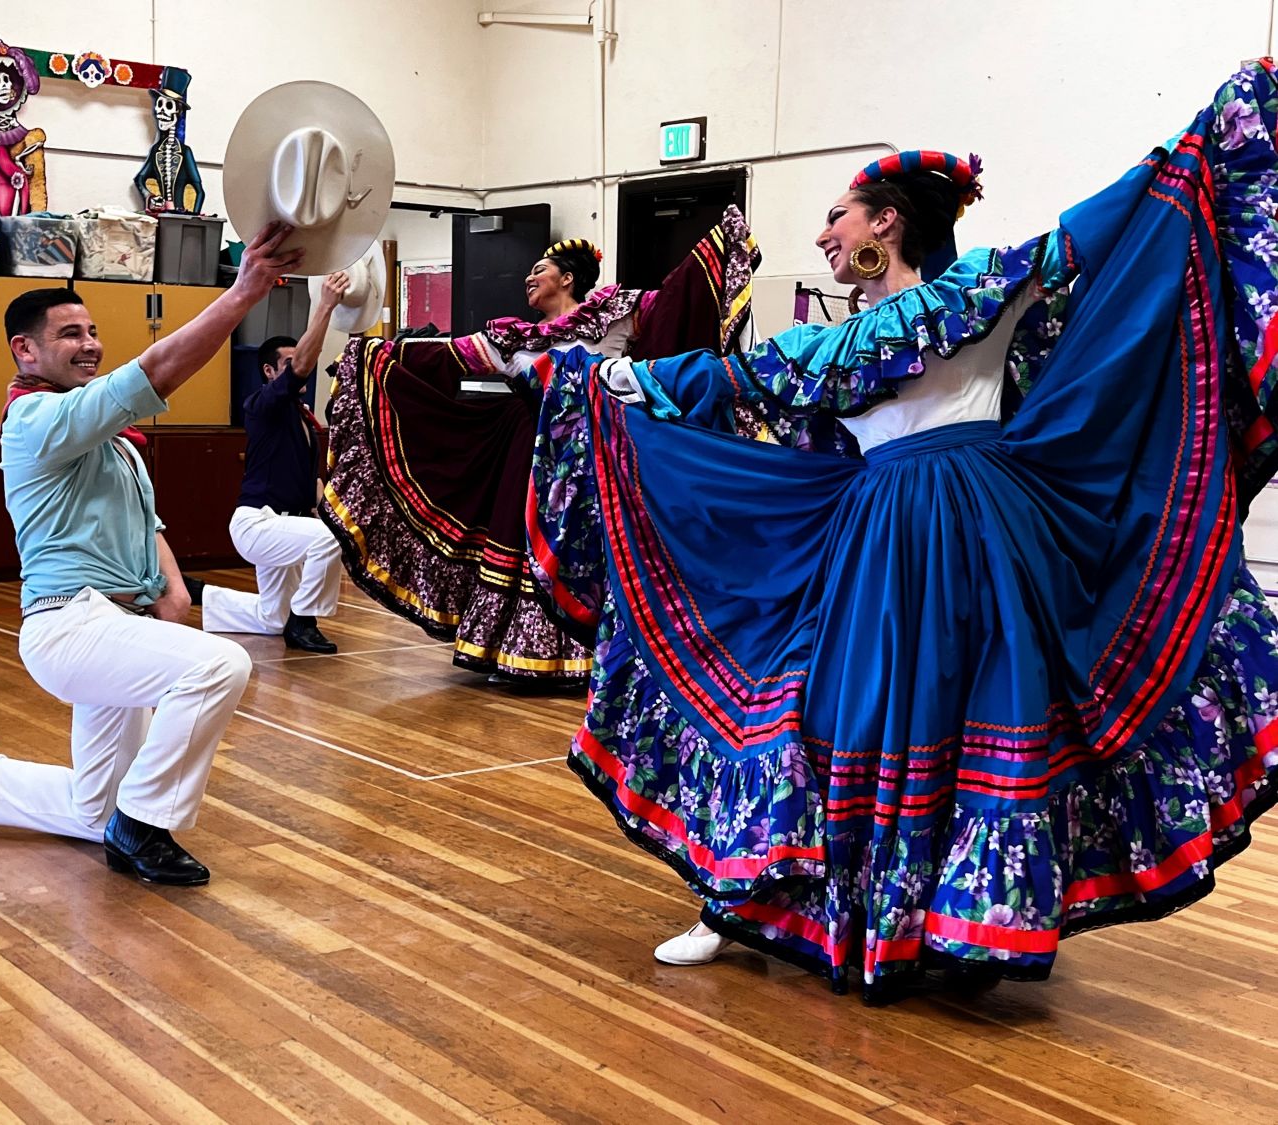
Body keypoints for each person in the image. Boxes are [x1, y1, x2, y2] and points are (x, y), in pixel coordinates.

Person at [529, 64, 1278, 1003]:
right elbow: (721, 382)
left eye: (838, 216)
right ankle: (745, 900)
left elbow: (1113, 221)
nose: (821, 235)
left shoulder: (987, 287)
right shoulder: (822, 343)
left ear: (887, 220)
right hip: (877, 538)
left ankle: (953, 924)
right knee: (825, 713)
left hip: (981, 533)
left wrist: (1208, 132)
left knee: (974, 718)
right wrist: (586, 382)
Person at [0, 220, 305, 886]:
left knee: (94, 809)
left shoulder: (103, 437)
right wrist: (243, 294)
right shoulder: (35, 420)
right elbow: (155, 370)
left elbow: (150, 520)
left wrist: (173, 587)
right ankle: (143, 826)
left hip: (119, 624)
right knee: (219, 666)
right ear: (24, 350)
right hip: (71, 626)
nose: (91, 345)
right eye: (71, 335)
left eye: (91, 332)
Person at [321, 211, 762, 687]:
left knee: (591, 544)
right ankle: (518, 650)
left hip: (596, 452)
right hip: (529, 458)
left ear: (568, 279)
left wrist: (715, 250)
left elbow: (678, 303)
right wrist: (371, 355)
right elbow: (441, 356)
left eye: (540, 270)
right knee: (525, 541)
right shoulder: (513, 339)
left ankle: (602, 653)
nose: (529, 277)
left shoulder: (612, 315)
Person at [199, 271, 349, 652]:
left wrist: (318, 510)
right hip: (258, 524)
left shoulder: (301, 417)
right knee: (330, 540)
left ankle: (198, 593)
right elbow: (302, 364)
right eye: (289, 361)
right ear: (269, 372)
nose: (303, 364)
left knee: (271, 618)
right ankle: (304, 621)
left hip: (287, 524)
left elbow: (311, 481)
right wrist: (326, 305)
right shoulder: (262, 405)